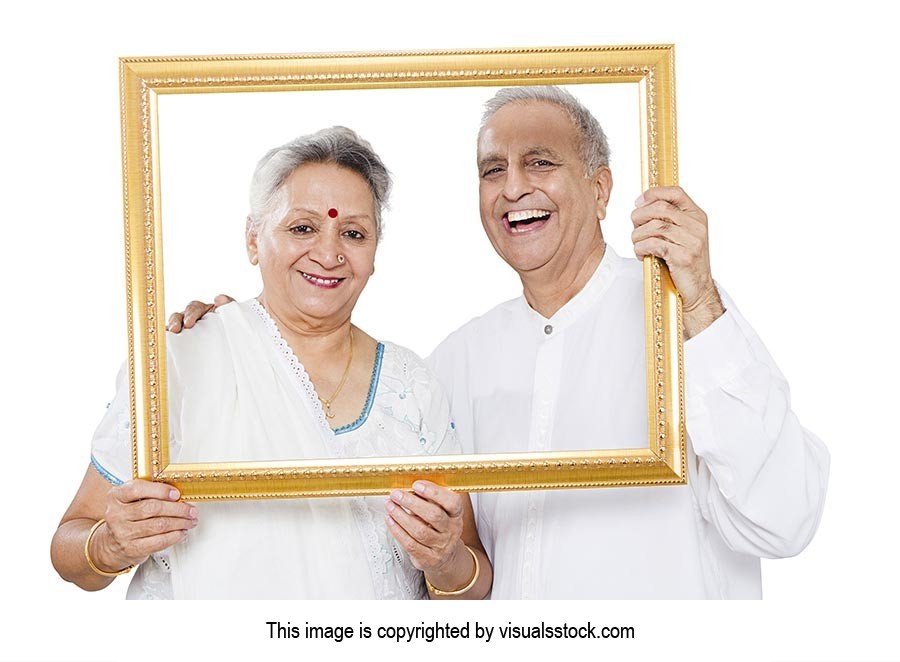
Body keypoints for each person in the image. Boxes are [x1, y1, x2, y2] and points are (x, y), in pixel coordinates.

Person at [174, 87, 830, 599]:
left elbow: (784, 521)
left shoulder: (685, 320)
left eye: (540, 162)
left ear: (600, 189)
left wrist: (703, 301)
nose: (513, 186)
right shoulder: (452, 364)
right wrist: (252, 334)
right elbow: (442, 576)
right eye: (493, 169)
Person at [50, 127, 492, 600]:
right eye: (302, 228)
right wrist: (111, 545)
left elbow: (473, 580)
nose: (328, 253)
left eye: (353, 233)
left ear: (375, 251)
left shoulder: (412, 384)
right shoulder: (185, 362)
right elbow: (69, 549)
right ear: (253, 238)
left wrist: (444, 561)